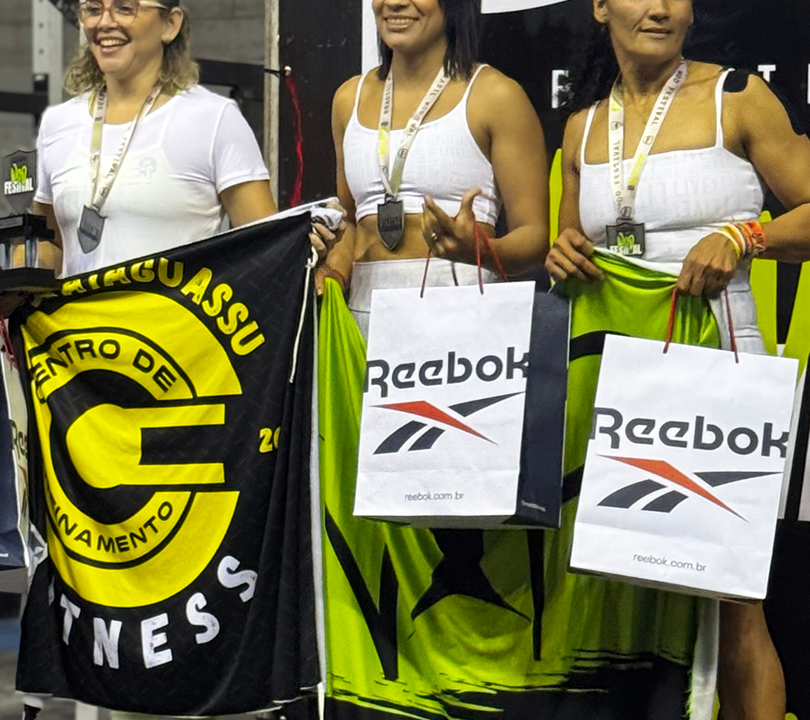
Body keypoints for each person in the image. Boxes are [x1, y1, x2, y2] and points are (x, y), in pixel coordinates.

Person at [547, 0, 810, 717]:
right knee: (624, 585)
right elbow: (571, 244)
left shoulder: (737, 97)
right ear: (601, 8)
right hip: (617, 377)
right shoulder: (581, 126)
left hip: (721, 364)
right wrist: (563, 254)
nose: (659, 8)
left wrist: (746, 236)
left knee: (734, 597)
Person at [32, 0, 336, 278]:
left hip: (177, 321)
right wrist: (22, 268)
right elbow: (53, 246)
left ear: (171, 24)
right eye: (93, 9)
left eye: (125, 8)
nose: (105, 22)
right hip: (77, 322)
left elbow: (266, 251)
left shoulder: (213, 119)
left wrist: (305, 244)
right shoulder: (57, 124)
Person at [318, 0, 548, 332]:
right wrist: (335, 273)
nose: (395, 3)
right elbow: (351, 221)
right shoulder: (348, 99)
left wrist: (478, 251)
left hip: (462, 324)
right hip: (362, 324)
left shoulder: (496, 95)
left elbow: (535, 238)